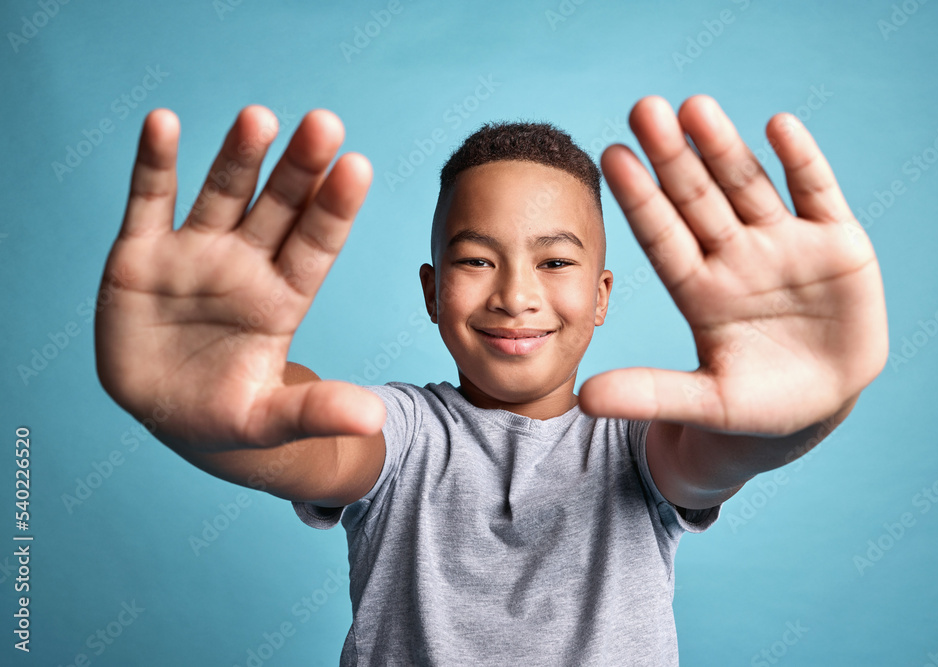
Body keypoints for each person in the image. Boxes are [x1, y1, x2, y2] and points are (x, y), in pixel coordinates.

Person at [94, 94, 888, 665]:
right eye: (476, 260)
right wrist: (194, 404)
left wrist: (806, 409)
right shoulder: (401, 435)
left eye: (554, 261)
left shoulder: (637, 442)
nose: (515, 294)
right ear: (432, 291)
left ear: (603, 295)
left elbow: (722, 448)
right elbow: (300, 431)